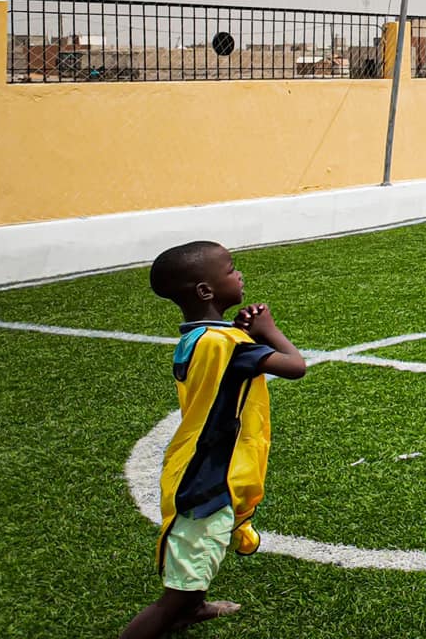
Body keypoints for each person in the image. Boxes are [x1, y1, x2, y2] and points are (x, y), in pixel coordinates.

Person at [119, 241, 308, 639]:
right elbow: (295, 367)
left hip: (191, 463)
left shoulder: (196, 338)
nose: (239, 275)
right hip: (206, 481)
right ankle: (180, 609)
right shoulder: (229, 346)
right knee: (176, 592)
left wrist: (241, 334)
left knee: (201, 558)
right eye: (232, 269)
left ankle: (196, 605)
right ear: (206, 291)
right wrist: (267, 331)